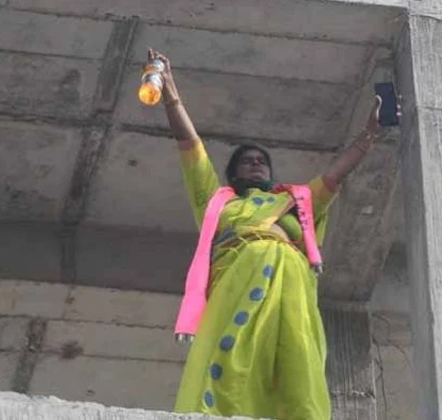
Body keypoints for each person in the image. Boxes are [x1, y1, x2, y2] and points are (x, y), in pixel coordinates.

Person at [150, 50, 391, 420]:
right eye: (247, 160)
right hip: (236, 279)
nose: (256, 162)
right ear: (233, 175)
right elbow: (191, 147)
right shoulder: (216, 202)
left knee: (298, 356)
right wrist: (170, 94)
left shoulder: (297, 202)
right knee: (229, 355)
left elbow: (334, 176)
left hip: (292, 281)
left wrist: (370, 133)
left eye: (261, 160)